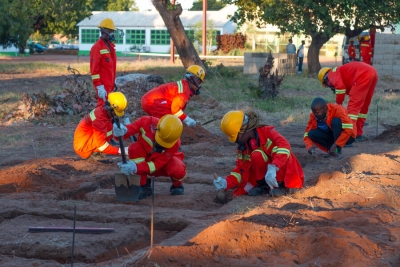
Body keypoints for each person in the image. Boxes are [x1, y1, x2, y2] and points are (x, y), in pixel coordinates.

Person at [213, 110, 304, 198]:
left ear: (244, 130)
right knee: (256, 155)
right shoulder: (244, 147)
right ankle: (264, 186)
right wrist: (226, 183)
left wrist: (274, 166)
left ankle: (282, 187)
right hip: (268, 177)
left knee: (277, 149)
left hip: (288, 175)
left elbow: (285, 146)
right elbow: (240, 171)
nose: (236, 142)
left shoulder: (268, 131)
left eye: (236, 138)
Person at [114, 114, 186, 199]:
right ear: (156, 127)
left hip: (161, 164)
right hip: (145, 158)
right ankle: (143, 186)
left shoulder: (175, 144)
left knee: (178, 169)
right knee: (134, 148)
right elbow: (126, 132)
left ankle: (177, 185)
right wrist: (120, 132)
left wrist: (135, 167)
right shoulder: (146, 122)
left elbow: (155, 165)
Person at [318, 62, 378, 141]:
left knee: (352, 109)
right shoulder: (340, 72)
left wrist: (338, 104)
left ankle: (350, 136)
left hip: (362, 74)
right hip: (373, 72)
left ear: (326, 78)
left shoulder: (331, 74)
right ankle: (358, 134)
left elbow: (340, 88)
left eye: (327, 84)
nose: (330, 86)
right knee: (363, 108)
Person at [141, 65, 206, 127]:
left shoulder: (183, 86)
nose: (199, 85)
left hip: (149, 100)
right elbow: (175, 110)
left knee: (171, 120)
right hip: (153, 102)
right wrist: (187, 119)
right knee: (166, 125)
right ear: (192, 79)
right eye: (199, 81)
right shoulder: (184, 91)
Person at [73, 92, 129, 161]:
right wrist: (119, 151)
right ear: (109, 108)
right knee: (102, 143)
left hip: (87, 140)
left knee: (108, 126)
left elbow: (107, 130)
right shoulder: (99, 118)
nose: (115, 115)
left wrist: (115, 128)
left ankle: (98, 151)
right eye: (115, 113)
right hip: (83, 148)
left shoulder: (104, 112)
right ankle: (94, 153)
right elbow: (101, 145)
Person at [90, 18, 117, 108]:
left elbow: (111, 67)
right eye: (109, 30)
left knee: (110, 109)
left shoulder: (111, 46)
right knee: (102, 108)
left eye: (112, 31)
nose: (112, 33)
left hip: (110, 85)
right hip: (103, 86)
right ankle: (95, 122)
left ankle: (108, 122)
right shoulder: (97, 48)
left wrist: (114, 81)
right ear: (102, 31)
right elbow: (94, 71)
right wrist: (99, 86)